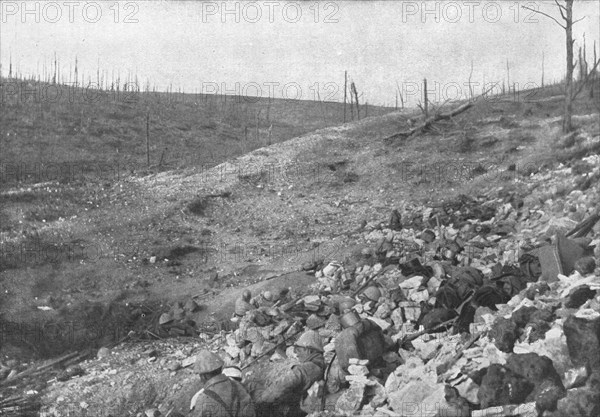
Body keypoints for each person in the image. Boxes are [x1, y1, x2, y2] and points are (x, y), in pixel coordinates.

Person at [257, 330, 325, 417]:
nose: (296, 353)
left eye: (298, 350)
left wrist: (262, 400)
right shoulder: (320, 365)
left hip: (294, 410)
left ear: (308, 350)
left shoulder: (306, 369)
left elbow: (282, 385)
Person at [327, 314, 385, 394]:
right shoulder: (370, 323)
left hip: (361, 369)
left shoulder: (346, 335)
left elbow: (346, 363)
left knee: (332, 375)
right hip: (377, 360)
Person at [190, 350, 256, 417]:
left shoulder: (202, 399)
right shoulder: (237, 385)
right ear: (220, 369)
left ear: (204, 376)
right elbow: (250, 411)